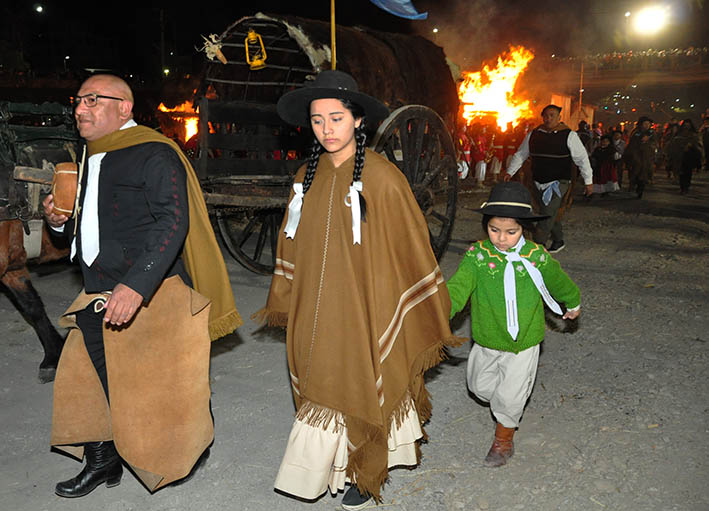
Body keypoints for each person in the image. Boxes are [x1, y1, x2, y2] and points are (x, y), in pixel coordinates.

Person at [255, 70, 458, 510]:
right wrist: (288, 292)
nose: (326, 129)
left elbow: (409, 248)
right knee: (316, 377)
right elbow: (290, 242)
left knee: (359, 377)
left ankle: (361, 471)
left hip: (365, 306)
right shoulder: (303, 177)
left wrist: (396, 300)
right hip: (314, 304)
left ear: (358, 121)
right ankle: (329, 467)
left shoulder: (383, 179)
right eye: (317, 120)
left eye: (336, 118)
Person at [42, 74, 242, 497]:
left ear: (124, 108)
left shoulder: (153, 152)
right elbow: (93, 224)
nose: (81, 109)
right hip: (97, 288)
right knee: (93, 377)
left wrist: (136, 286)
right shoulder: (90, 155)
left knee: (164, 385)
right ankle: (103, 461)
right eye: (78, 100)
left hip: (151, 290)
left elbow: (173, 221)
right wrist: (59, 224)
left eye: (93, 100)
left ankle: (191, 442)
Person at [446, 182, 581, 468]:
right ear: (486, 225)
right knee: (479, 387)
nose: (501, 239)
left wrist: (572, 301)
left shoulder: (536, 256)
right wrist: (439, 309)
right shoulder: (478, 256)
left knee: (509, 396)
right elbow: (458, 287)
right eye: (494, 230)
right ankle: (507, 403)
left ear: (524, 229)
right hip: (486, 338)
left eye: (511, 232)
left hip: (525, 342)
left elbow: (558, 281)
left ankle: (503, 440)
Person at [504, 104, 593, 254]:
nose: (548, 118)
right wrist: (510, 172)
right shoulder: (534, 134)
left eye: (552, 115)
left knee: (545, 215)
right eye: (546, 115)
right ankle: (558, 240)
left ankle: (537, 248)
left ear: (559, 118)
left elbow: (582, 159)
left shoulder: (569, 135)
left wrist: (588, 181)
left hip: (559, 182)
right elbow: (521, 154)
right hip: (537, 181)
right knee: (550, 213)